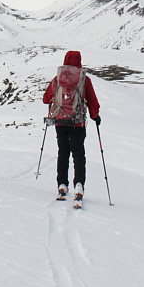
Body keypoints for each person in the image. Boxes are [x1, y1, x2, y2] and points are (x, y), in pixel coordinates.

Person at [42, 50, 100, 201]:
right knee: (78, 154)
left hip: (60, 122)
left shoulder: (57, 79)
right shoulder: (83, 80)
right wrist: (95, 116)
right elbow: (92, 100)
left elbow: (45, 99)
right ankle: (79, 184)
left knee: (63, 152)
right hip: (77, 123)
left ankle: (62, 184)